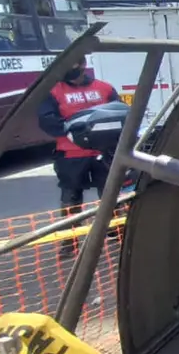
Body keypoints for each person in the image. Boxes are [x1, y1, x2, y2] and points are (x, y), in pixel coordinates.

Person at [37, 56, 121, 258]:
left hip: (103, 153)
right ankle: (70, 242)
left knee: (111, 195)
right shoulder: (53, 92)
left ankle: (116, 230)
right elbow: (47, 121)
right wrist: (72, 131)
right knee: (71, 199)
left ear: (83, 65)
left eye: (72, 66)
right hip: (71, 155)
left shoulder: (105, 89)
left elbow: (119, 115)